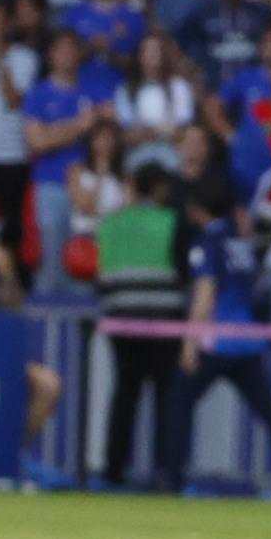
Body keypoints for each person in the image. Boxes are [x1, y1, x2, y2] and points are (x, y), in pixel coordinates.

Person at [172, 192, 271, 496]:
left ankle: (171, 477)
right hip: (248, 341)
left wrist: (190, 342)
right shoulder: (242, 247)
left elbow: (205, 293)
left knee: (178, 403)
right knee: (269, 411)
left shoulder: (207, 244)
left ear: (196, 210)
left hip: (218, 342)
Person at [92, 165, 192, 490]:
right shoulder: (172, 222)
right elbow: (184, 272)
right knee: (166, 397)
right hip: (164, 320)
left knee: (124, 395)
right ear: (160, 189)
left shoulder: (109, 223)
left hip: (121, 317)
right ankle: (166, 472)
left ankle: (113, 470)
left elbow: (101, 278)